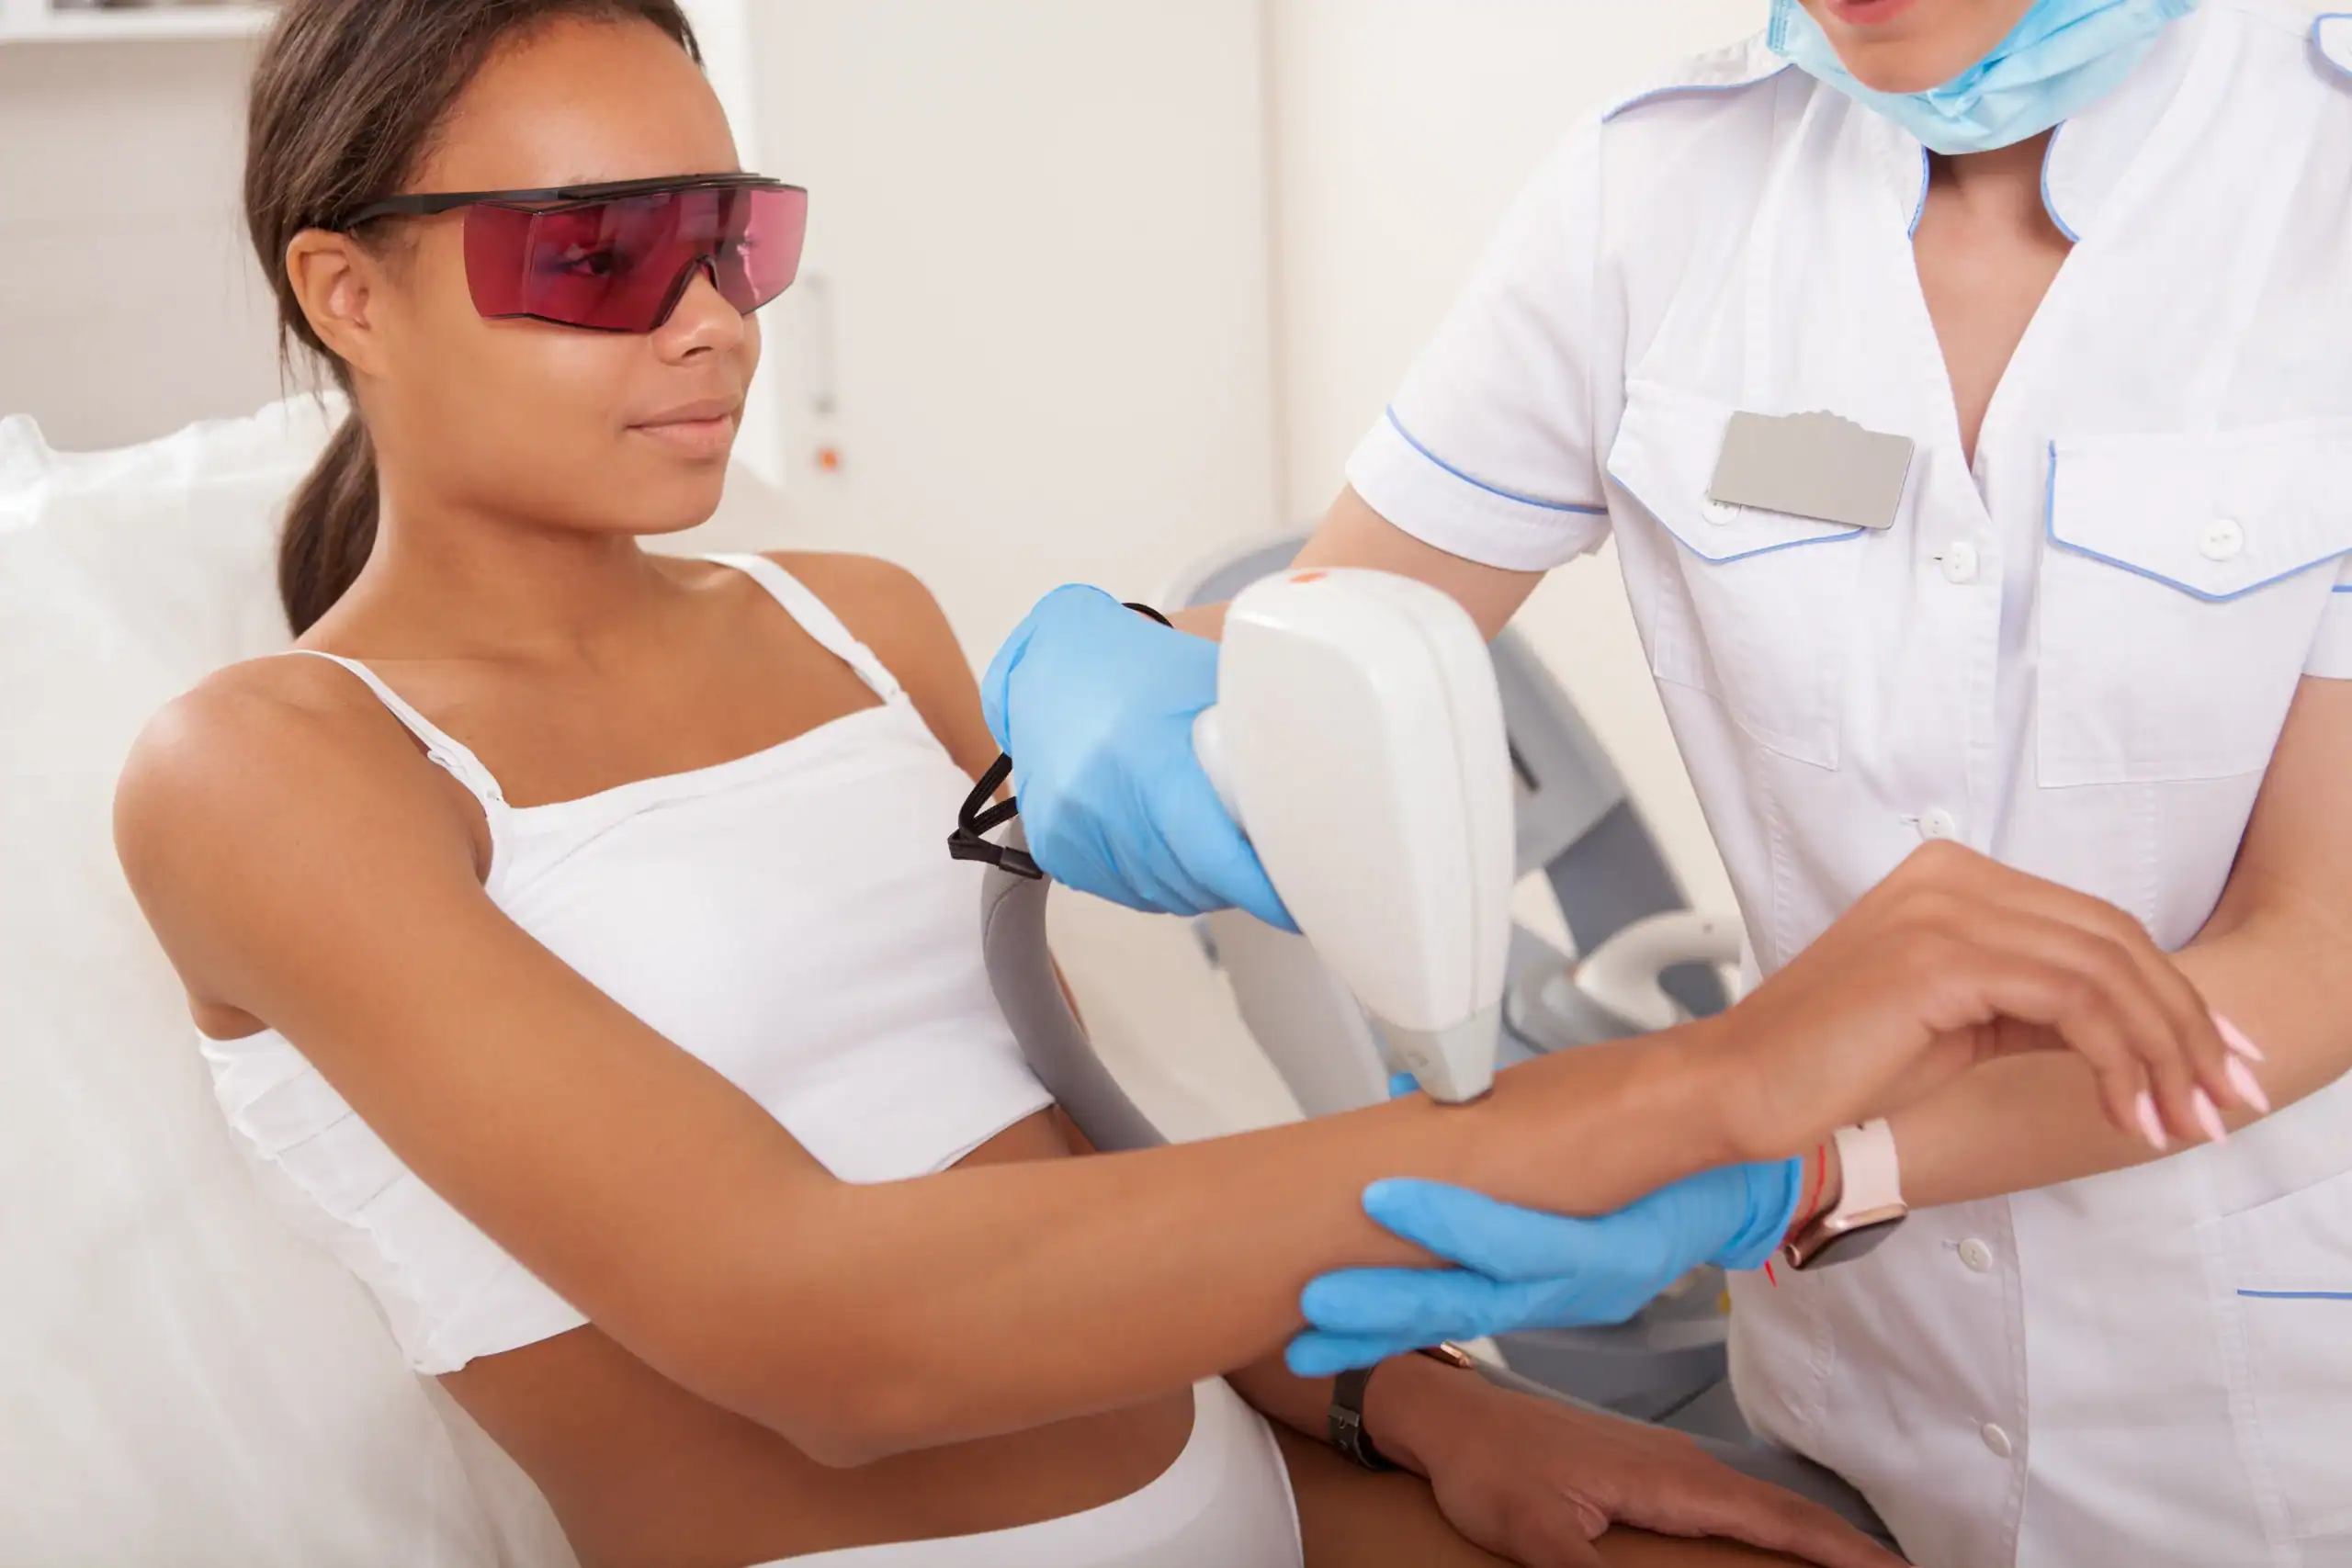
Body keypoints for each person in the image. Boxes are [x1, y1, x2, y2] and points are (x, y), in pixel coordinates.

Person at [106, 2, 2251, 1564]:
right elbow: (833, 1336)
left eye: (729, 237)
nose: (704, 321)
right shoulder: (268, 772)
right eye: (590, 252)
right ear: (343, 288)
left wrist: (1401, 1414)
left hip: (1266, 1502)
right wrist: (1710, 1083)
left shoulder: (854, 620)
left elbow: (1071, 1156)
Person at [981, 2, 2352, 1564]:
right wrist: (1131, 670)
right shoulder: (1664, 185)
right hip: (1858, 1418)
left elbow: (2323, 941)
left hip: (2277, 1416)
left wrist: (1819, 1168)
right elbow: (1324, 627)